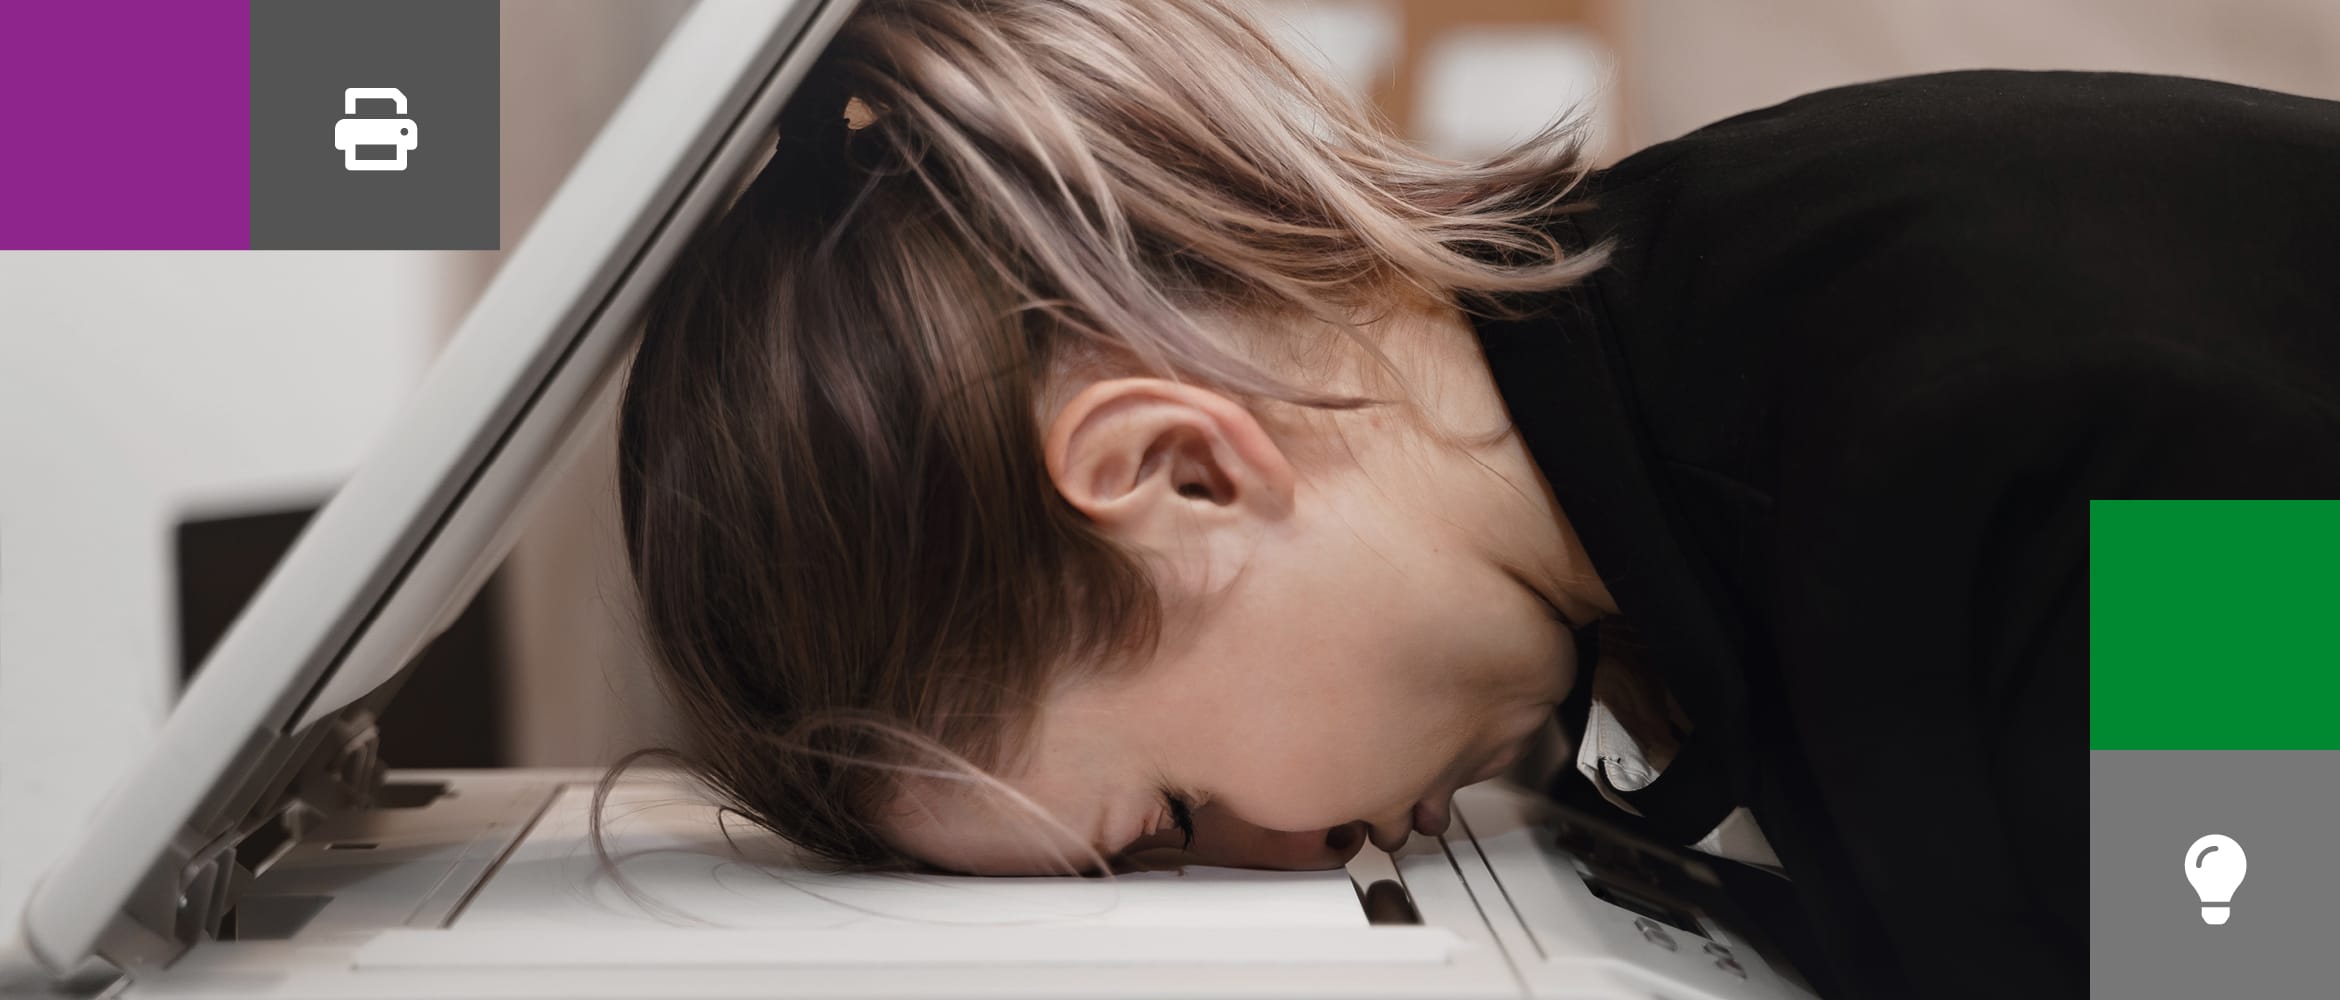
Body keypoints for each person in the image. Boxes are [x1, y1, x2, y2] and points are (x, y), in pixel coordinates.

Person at [609, 0, 2340, 995]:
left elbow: (2245, 957)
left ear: (1184, 472)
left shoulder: (2060, 438)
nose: (1262, 872)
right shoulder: (1675, 444)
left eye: (1171, 823)